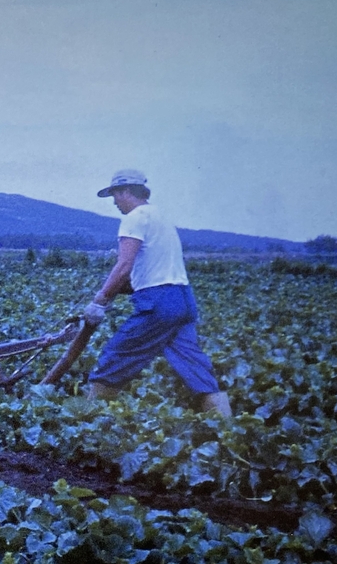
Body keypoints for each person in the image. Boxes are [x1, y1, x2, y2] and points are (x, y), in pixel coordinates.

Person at [82, 169, 231, 417]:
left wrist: (100, 300)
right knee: (194, 365)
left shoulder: (134, 217)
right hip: (183, 299)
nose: (115, 202)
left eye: (115, 195)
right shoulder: (160, 217)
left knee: (116, 354)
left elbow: (123, 266)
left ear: (126, 191)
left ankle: (84, 422)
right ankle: (227, 429)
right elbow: (149, 270)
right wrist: (120, 288)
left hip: (159, 303)